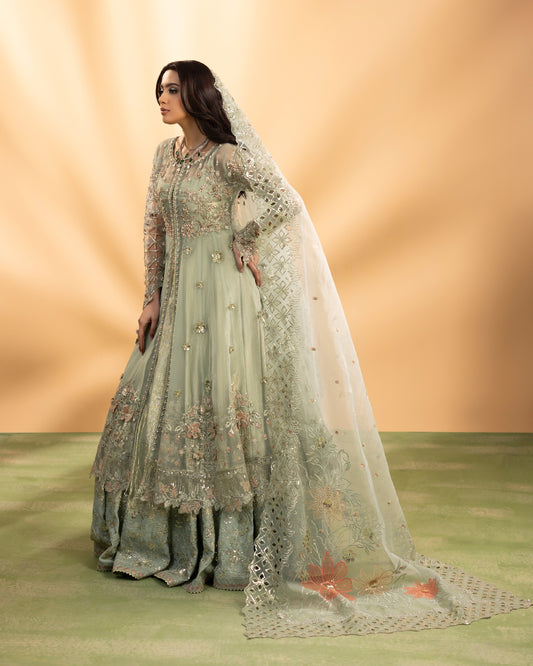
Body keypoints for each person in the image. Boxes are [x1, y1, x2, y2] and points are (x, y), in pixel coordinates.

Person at [91, 60, 530, 638]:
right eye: (159, 89)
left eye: (172, 89)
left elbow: (281, 201)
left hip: (223, 299)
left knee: (224, 403)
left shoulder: (228, 158)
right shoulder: (162, 157)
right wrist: (150, 295)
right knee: (155, 402)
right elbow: (153, 226)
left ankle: (228, 550)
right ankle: (161, 542)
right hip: (175, 298)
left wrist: (244, 239)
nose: (162, 98)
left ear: (196, 95)